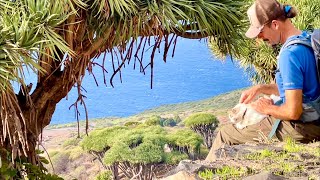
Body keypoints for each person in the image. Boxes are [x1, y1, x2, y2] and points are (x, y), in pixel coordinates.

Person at [206, 0, 320, 162]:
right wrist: (260, 88)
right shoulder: (306, 39)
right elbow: (303, 89)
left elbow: (293, 112)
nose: (259, 38)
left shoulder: (289, 55)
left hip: (302, 129)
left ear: (274, 25)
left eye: (260, 32)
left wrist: (267, 108)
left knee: (226, 134)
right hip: (315, 120)